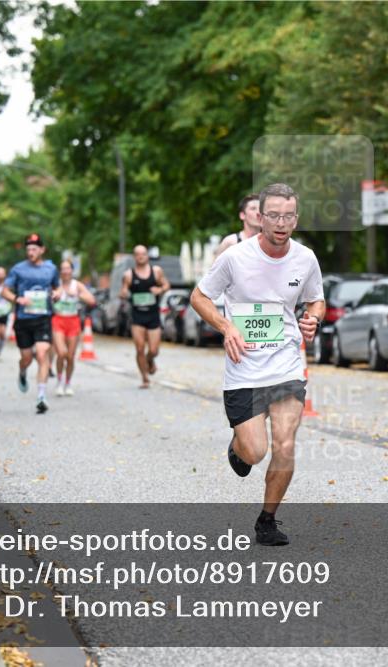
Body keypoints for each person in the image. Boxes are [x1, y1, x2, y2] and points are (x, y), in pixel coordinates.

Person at [190, 183, 325, 546]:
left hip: (286, 366)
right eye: (274, 215)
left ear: (296, 218)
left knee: (284, 445)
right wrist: (225, 325)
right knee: (256, 451)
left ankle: (267, 520)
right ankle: (238, 448)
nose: (281, 223)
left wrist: (313, 318)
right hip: (244, 370)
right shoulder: (236, 257)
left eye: (289, 216)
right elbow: (199, 296)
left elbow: (316, 301)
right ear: (260, 217)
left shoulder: (305, 258)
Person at [2, 233, 60, 414]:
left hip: (43, 318)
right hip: (23, 320)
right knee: (27, 358)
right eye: (28, 249)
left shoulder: (51, 269)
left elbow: (56, 287)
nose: (31, 252)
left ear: (42, 250)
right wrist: (17, 299)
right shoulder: (18, 269)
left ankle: (41, 396)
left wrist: (57, 294)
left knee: (42, 354)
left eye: (34, 249)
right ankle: (22, 371)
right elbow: (5, 291)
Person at [119, 245, 170, 389]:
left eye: (143, 254)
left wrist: (159, 289)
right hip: (137, 316)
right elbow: (123, 291)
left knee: (153, 350)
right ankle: (145, 378)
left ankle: (150, 360)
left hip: (153, 315)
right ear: (134, 257)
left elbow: (166, 285)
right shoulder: (129, 275)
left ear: (147, 256)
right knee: (140, 348)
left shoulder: (156, 271)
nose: (141, 256)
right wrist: (123, 293)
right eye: (138, 254)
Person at [50, 259, 97, 396]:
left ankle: (68, 383)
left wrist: (78, 295)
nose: (65, 271)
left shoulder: (77, 285)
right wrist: (54, 296)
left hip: (73, 322)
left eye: (67, 268)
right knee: (61, 353)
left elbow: (92, 300)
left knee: (70, 356)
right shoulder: (55, 284)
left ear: (72, 270)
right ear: (60, 271)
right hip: (58, 320)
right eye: (63, 268)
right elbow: (47, 297)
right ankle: (59, 382)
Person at [212, 194, 261, 261]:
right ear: (242, 215)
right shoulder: (230, 242)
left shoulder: (270, 243)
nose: (258, 213)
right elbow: (215, 269)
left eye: (261, 209)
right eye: (253, 209)